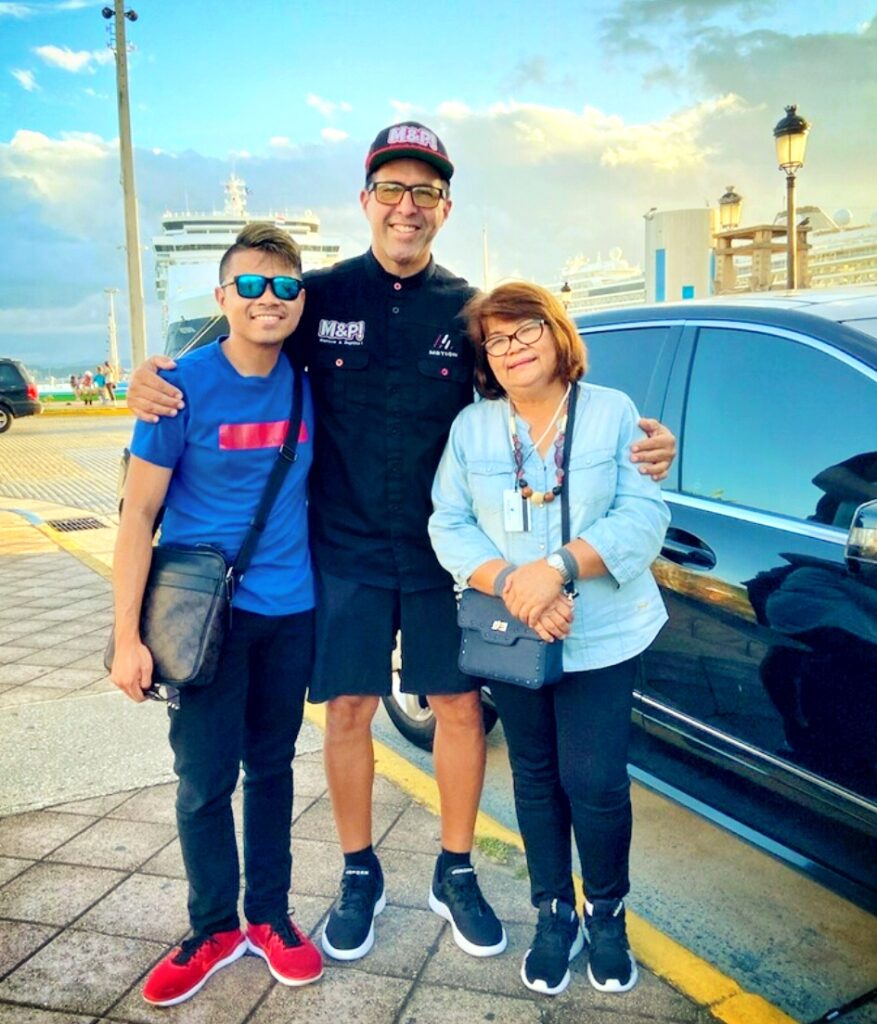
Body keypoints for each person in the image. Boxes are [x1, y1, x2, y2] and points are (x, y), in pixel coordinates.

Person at [125, 122, 676, 966]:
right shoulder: (320, 297)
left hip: (442, 558)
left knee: (459, 709)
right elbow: (243, 346)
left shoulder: (466, 310)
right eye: (392, 189)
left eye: (424, 192)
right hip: (336, 553)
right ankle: (357, 873)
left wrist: (643, 437)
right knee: (346, 711)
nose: (406, 207)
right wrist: (151, 375)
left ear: (444, 208)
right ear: (366, 201)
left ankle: (455, 871)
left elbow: (544, 395)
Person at [428, 281, 670, 998]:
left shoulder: (611, 413)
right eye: (495, 340)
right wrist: (512, 583)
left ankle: (606, 911)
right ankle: (552, 911)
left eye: (524, 330)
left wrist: (558, 568)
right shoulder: (473, 429)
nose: (510, 349)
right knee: (532, 776)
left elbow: (642, 515)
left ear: (556, 333)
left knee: (593, 782)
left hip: (603, 631)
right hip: (512, 634)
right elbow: (448, 521)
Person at [110, 223, 323, 1006]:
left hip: (289, 613)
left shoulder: (309, 379)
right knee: (204, 779)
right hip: (202, 620)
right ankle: (211, 928)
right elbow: (137, 517)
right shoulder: (179, 386)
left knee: (271, 770)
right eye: (253, 285)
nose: (270, 299)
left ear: (300, 299)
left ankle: (268, 917)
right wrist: (126, 638)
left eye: (285, 286)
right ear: (223, 297)